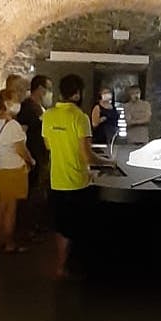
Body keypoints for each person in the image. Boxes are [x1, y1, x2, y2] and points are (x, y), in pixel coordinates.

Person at [42, 74, 114, 279]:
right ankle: (71, 266)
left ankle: (60, 264)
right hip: (77, 181)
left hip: (56, 179)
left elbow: (48, 145)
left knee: (61, 224)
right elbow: (86, 155)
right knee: (78, 226)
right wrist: (107, 162)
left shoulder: (49, 115)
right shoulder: (80, 117)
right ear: (77, 93)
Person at [0, 87, 35, 253]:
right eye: (16, 100)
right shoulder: (13, 125)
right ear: (8, 103)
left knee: (2, 203)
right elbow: (20, 149)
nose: (18, 104)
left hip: (1, 167)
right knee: (11, 207)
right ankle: (9, 243)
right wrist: (31, 161)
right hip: (13, 168)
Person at [18, 74, 54, 237]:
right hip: (33, 157)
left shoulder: (39, 108)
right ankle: (27, 228)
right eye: (48, 89)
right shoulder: (27, 108)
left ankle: (37, 224)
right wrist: (26, 158)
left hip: (41, 156)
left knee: (39, 192)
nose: (49, 93)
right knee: (31, 193)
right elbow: (21, 134)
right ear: (40, 89)